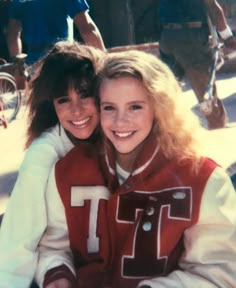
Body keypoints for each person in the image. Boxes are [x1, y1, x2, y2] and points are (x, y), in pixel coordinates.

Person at [35, 50, 236, 288]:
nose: (120, 121)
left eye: (135, 107)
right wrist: (57, 276)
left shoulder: (203, 179)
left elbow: (221, 271)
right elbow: (52, 247)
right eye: (109, 107)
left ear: (160, 109)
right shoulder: (69, 170)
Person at [0, 41, 104, 287]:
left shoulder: (117, 136)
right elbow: (20, 238)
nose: (76, 111)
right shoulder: (44, 153)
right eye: (63, 100)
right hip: (46, 260)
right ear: (51, 105)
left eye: (85, 94)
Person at [158, 0, 236, 129]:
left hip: (167, 37)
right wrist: (227, 36)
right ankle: (217, 130)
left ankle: (165, 130)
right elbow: (213, 8)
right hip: (190, 39)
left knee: (168, 90)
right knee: (207, 96)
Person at [7, 0, 105, 65]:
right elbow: (87, 29)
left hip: (33, 63)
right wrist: (103, 61)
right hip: (62, 60)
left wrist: (17, 65)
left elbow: (13, 34)